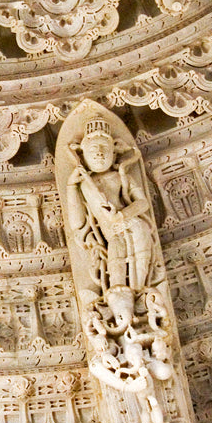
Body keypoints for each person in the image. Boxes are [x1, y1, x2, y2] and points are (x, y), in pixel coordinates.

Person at [66, 115, 154, 325]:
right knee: (116, 276)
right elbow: (78, 224)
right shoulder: (85, 185)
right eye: (93, 149)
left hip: (135, 226)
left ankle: (140, 297)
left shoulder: (121, 176)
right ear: (83, 153)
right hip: (111, 237)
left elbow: (142, 204)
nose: (98, 153)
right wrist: (71, 188)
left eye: (104, 149)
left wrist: (123, 215)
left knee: (139, 273)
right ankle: (121, 309)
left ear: (114, 152)